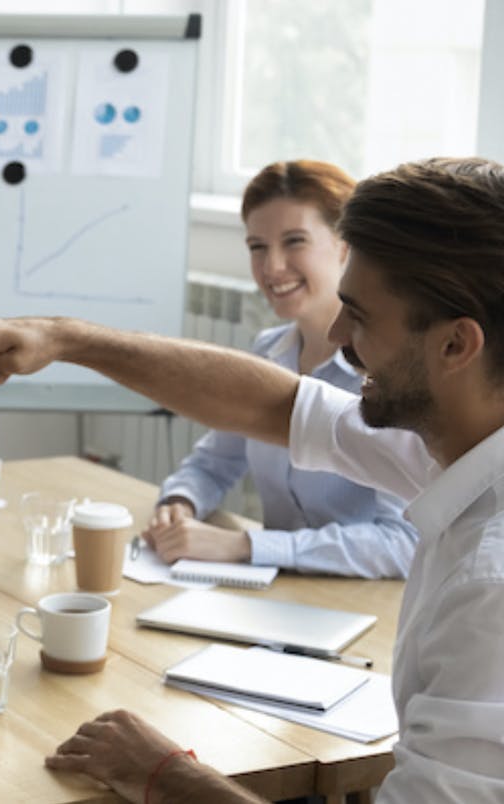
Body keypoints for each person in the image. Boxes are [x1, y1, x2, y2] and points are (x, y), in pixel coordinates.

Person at [0, 157, 504, 802]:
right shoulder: (481, 438)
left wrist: (164, 773)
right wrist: (65, 340)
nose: (338, 335)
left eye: (360, 316)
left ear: (456, 346)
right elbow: (275, 404)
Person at [146, 160, 416, 578]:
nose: (271, 267)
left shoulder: (388, 376)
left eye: (294, 241)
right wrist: (179, 503)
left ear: (346, 247)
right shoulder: (268, 352)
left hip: (359, 600)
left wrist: (244, 545)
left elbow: (402, 543)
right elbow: (215, 461)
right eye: (257, 246)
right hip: (276, 590)